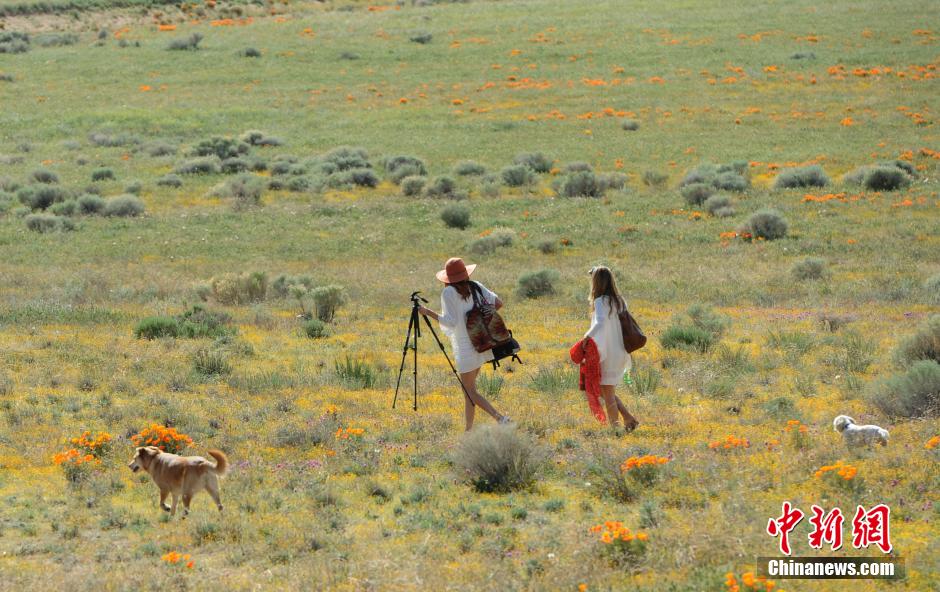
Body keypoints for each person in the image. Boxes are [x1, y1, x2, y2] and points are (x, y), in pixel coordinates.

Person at [418, 257, 511, 431]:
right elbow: (498, 303)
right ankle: (468, 432)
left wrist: (426, 312)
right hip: (482, 344)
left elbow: (451, 322)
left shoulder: (449, 293)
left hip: (466, 348)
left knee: (469, 391)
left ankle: (500, 418)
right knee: (469, 391)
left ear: (448, 278)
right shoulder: (475, 285)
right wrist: (481, 318)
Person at [583, 266, 639, 432]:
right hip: (620, 351)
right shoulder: (620, 301)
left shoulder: (600, 301)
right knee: (605, 390)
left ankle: (615, 429)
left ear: (597, 282)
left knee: (606, 392)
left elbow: (600, 323)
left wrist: (586, 337)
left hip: (606, 352)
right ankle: (628, 418)